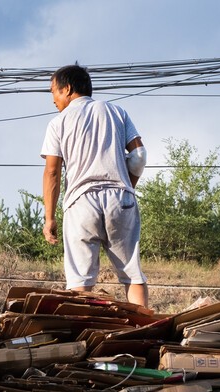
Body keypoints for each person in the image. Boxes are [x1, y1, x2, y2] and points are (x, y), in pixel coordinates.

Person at [41, 63, 149, 307]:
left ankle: (82, 339)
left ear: (67, 89)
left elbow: (52, 172)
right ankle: (146, 331)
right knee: (132, 275)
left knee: (80, 280)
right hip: (120, 200)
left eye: (53, 92)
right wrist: (127, 187)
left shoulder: (58, 123)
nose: (53, 100)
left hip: (81, 202)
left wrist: (49, 218)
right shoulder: (116, 111)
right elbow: (139, 155)